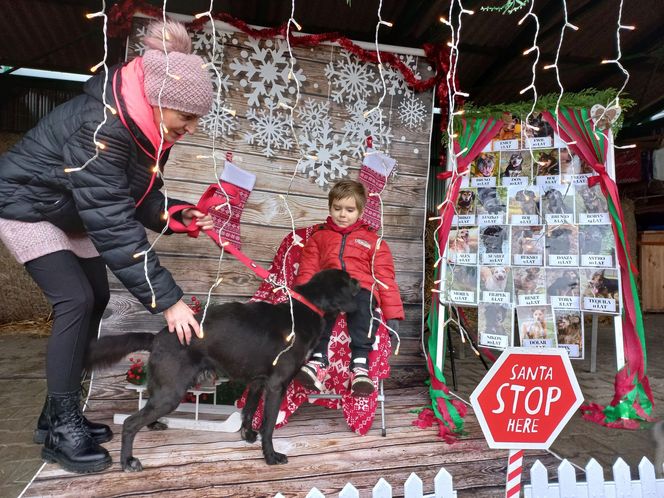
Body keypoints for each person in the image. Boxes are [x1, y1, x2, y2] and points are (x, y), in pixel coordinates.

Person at [0, 21, 214, 474]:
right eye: (187, 118)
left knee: (97, 297)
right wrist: (169, 301)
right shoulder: (101, 127)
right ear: (160, 102)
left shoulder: (149, 126)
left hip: (73, 208)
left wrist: (170, 215)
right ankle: (61, 430)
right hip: (27, 204)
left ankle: (54, 415)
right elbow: (113, 221)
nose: (192, 129)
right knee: (75, 299)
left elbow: (130, 195)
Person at [293, 179, 404, 396]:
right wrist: (303, 300)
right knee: (321, 306)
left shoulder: (373, 241)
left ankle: (360, 366)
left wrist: (393, 316)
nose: (343, 214)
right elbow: (308, 269)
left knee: (364, 303)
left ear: (360, 211)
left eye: (350, 210)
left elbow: (385, 279)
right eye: (337, 208)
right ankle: (317, 361)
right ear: (330, 207)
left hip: (360, 289)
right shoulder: (319, 237)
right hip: (331, 286)